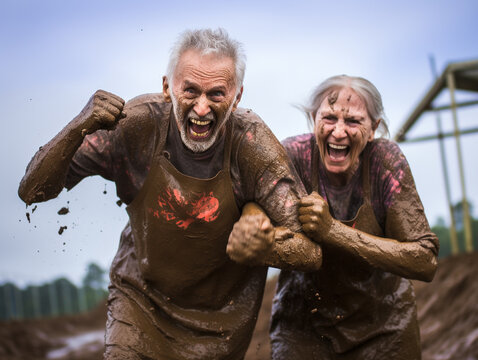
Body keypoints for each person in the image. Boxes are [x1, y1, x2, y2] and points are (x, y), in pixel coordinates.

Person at [18, 28, 322, 359]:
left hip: (220, 323)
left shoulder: (253, 146)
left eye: (217, 94)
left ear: (237, 97)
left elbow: (310, 252)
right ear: (167, 88)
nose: (202, 108)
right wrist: (78, 125)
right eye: (190, 90)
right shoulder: (137, 127)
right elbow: (33, 190)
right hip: (140, 302)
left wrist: (265, 248)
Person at [229, 75, 439, 359]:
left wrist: (332, 230)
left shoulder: (385, 162)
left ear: (374, 128)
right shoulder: (292, 156)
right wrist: (252, 220)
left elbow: (425, 260)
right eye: (328, 118)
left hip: (383, 326)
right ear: (313, 118)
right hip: (302, 327)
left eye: (353, 121)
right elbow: (252, 198)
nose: (339, 132)